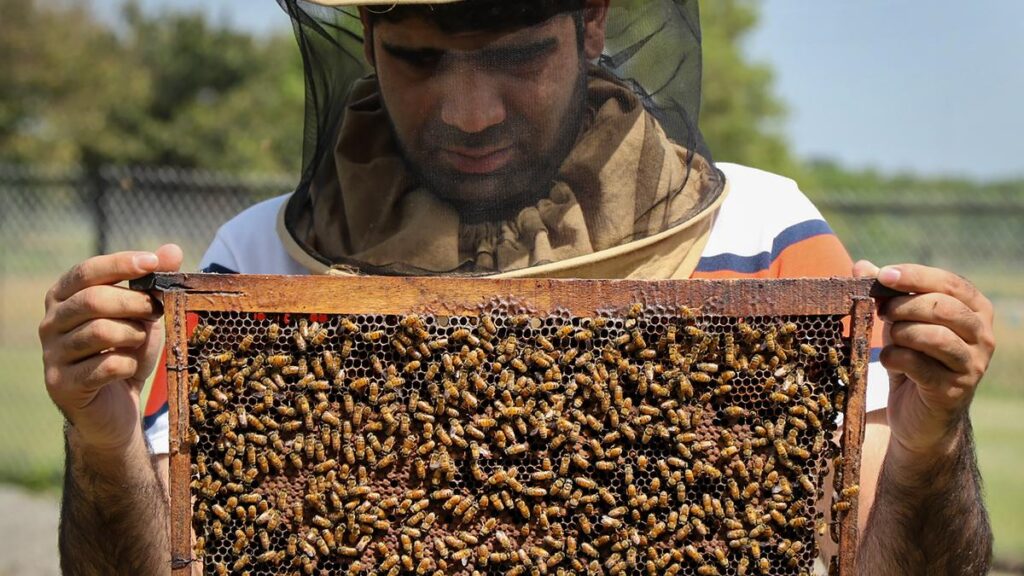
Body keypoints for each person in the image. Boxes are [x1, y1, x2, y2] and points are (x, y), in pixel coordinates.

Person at [38, 0, 995, 574]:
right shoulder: (251, 263)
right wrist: (102, 437)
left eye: (515, 54)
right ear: (368, 39)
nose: (468, 110)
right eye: (419, 58)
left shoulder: (768, 237)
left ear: (591, 21)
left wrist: (927, 444)